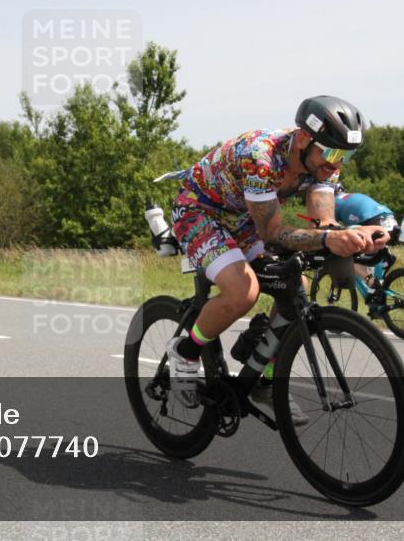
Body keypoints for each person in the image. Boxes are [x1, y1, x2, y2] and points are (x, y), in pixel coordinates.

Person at [166, 96, 390, 424]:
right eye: (332, 154)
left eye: (347, 155)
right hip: (200, 212)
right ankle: (185, 352)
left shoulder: (319, 163)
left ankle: (265, 380)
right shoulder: (261, 158)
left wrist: (356, 236)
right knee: (243, 291)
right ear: (303, 139)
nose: (337, 165)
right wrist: (330, 238)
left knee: (294, 286)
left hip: (242, 218)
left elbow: (323, 223)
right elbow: (272, 232)